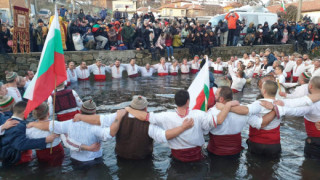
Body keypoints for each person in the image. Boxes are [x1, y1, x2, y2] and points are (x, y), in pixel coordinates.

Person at [125, 90, 237, 162]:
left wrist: (129, 108)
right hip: (197, 158)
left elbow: (144, 116)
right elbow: (220, 120)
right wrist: (227, 105)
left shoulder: (165, 116)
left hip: (177, 158)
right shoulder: (198, 114)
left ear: (175, 102)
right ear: (188, 101)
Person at [74, 96, 194, 160]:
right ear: (145, 108)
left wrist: (80, 116)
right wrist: (183, 128)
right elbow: (163, 137)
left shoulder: (119, 115)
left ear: (130, 106)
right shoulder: (149, 123)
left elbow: (99, 120)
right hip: (142, 159)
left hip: (121, 156)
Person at [27, 100, 125, 162]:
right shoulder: (97, 127)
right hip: (95, 159)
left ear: (80, 111)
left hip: (76, 160)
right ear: (95, 113)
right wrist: (119, 117)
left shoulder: (68, 123)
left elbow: (50, 125)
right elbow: (110, 134)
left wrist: (33, 124)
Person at [207, 86, 274, 156]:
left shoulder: (212, 111)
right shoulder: (244, 110)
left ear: (221, 99)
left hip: (216, 152)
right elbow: (260, 124)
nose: (214, 96)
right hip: (235, 152)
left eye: (216, 94)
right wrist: (275, 110)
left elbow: (204, 130)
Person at [270, 76, 320, 158]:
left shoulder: (312, 104)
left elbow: (297, 111)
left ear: (310, 86)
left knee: (309, 166)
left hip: (315, 142)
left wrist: (279, 108)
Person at [0, 101, 57, 166]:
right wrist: (44, 140)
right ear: (24, 112)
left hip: (7, 155)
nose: (30, 114)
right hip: (15, 159)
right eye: (29, 112)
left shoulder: (6, 120)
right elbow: (21, 144)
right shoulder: (17, 126)